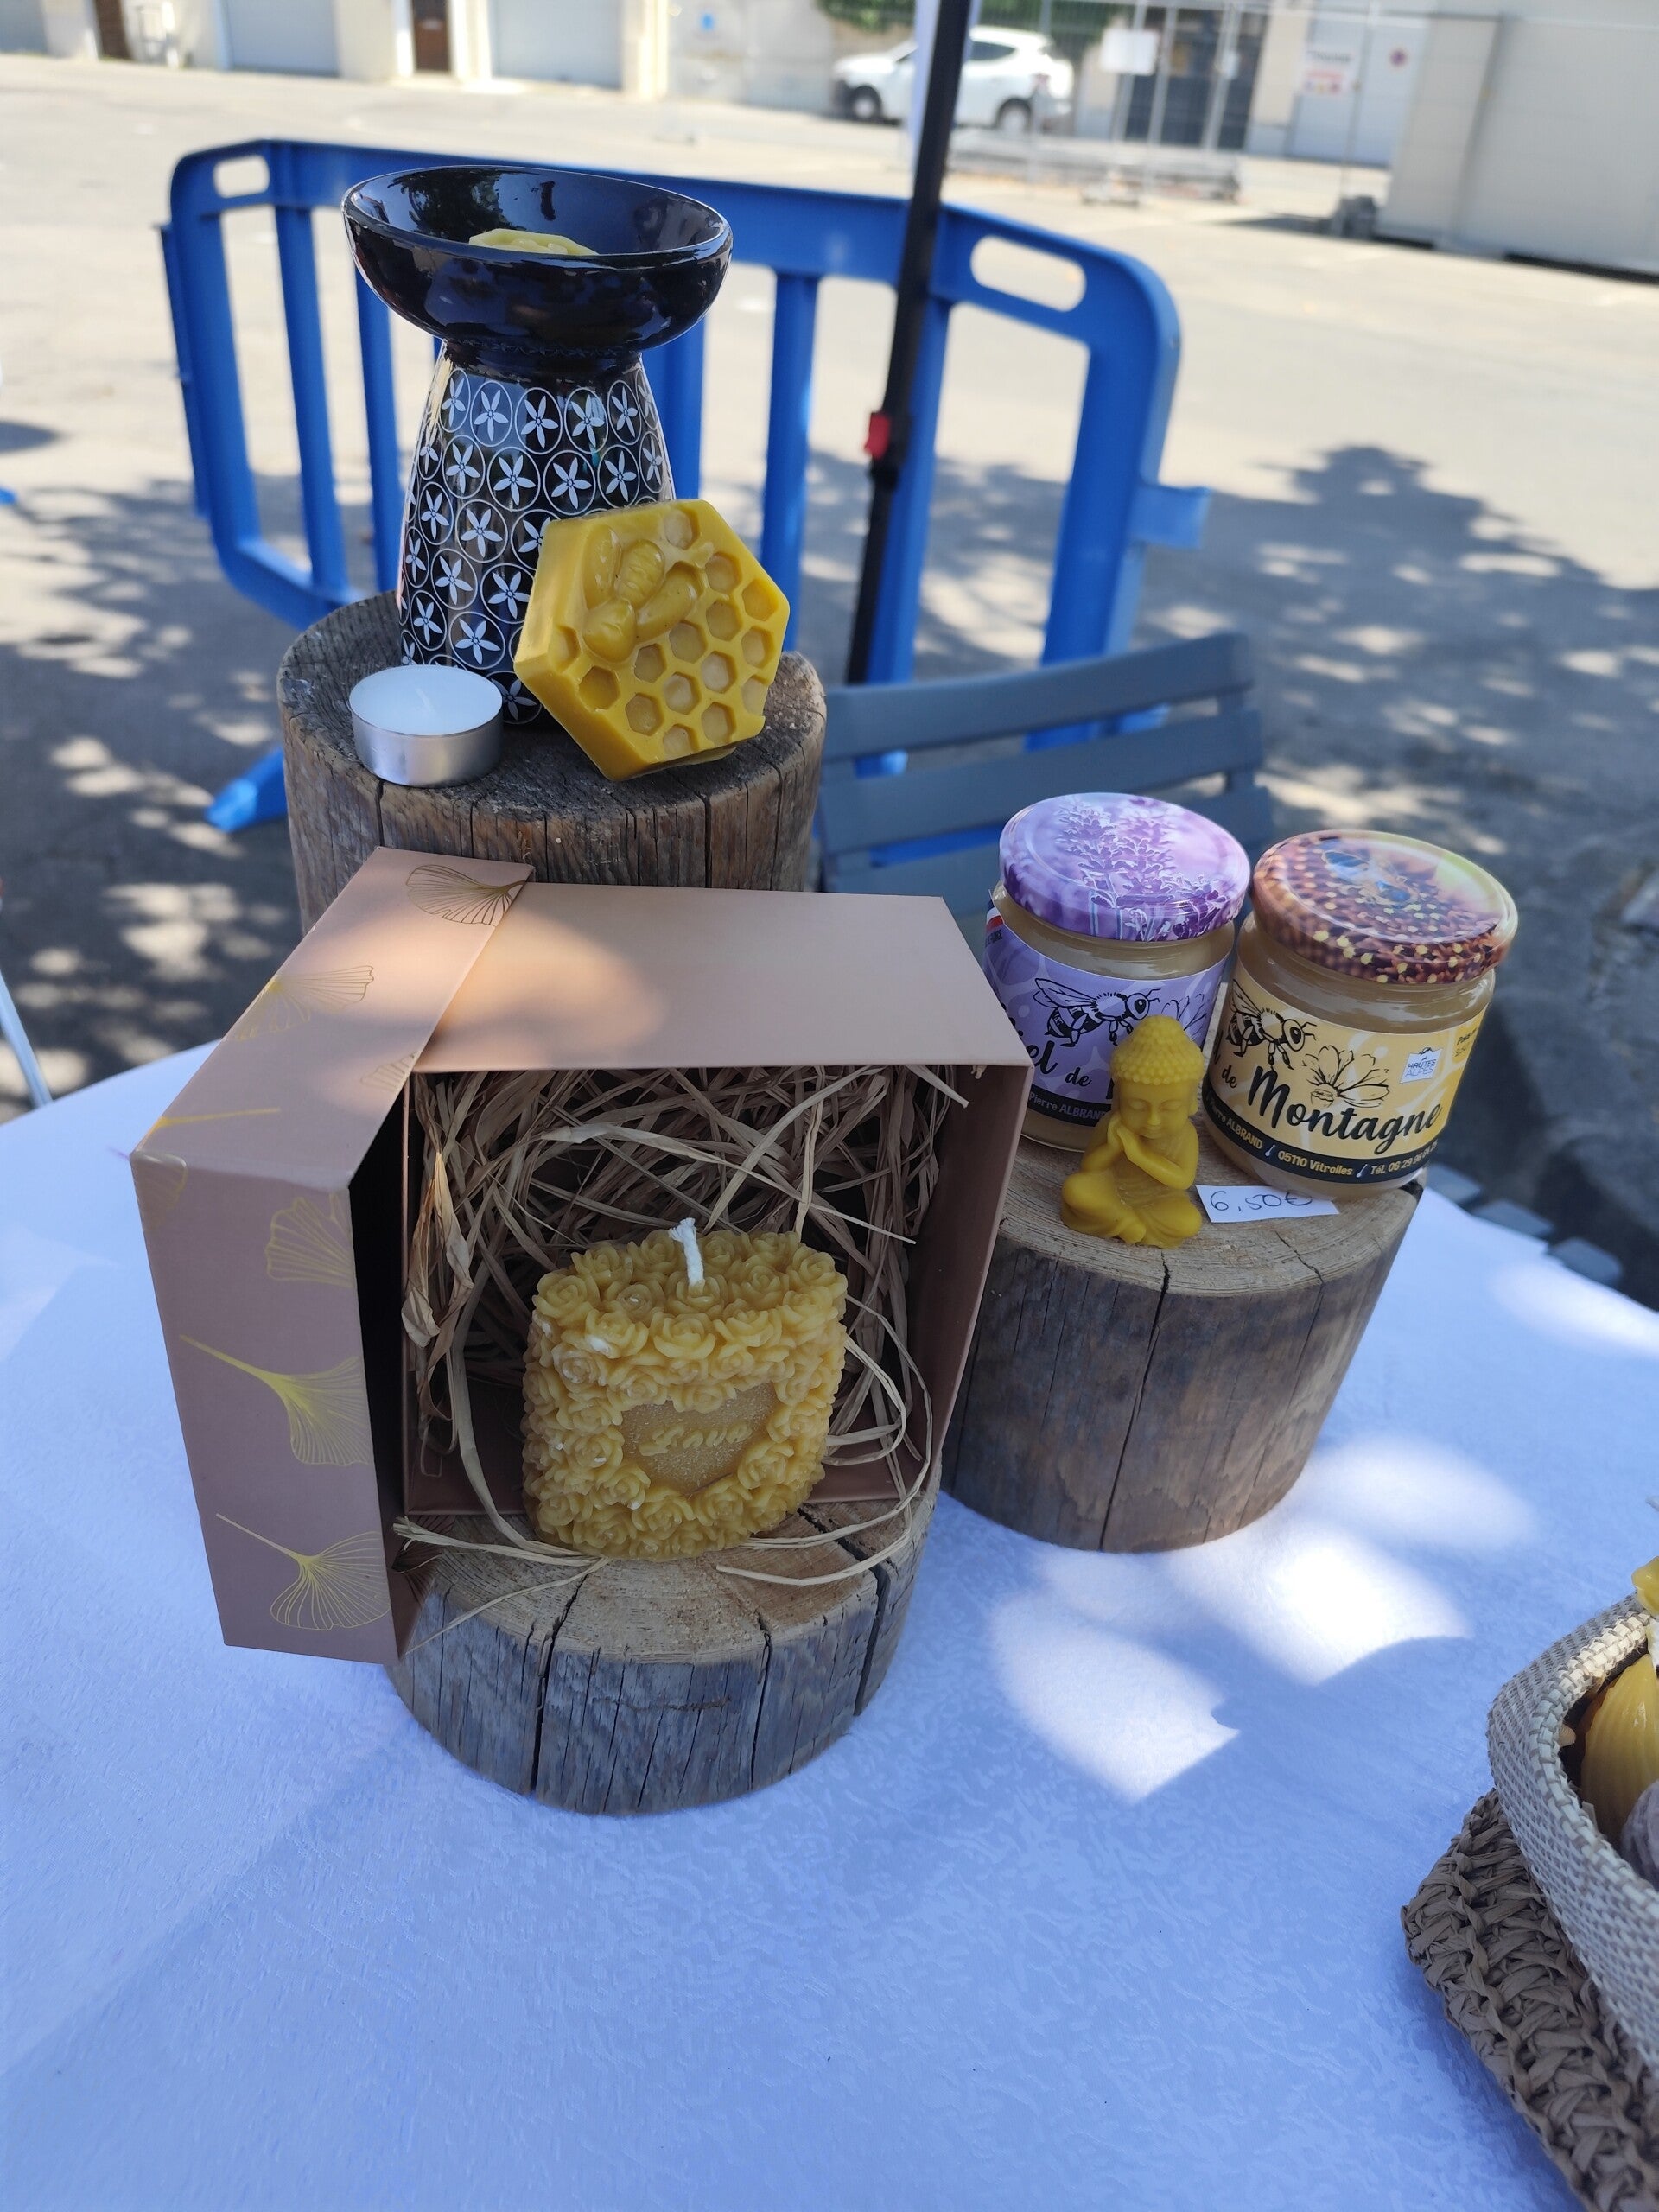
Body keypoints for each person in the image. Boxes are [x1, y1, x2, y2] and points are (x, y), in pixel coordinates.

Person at [1059, 1015, 1206, 1248]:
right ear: (1118, 1099)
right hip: (1111, 1188)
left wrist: (1138, 1154)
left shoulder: (1185, 1135)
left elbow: (1182, 1180)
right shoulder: (1113, 1124)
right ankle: (1126, 1221)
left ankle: (1121, 1221)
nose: (1153, 1120)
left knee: (1188, 1222)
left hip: (1160, 1198)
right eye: (1137, 1107)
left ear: (1191, 1102)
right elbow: (1090, 1167)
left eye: (1169, 1108)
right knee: (1076, 1189)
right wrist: (1113, 1148)